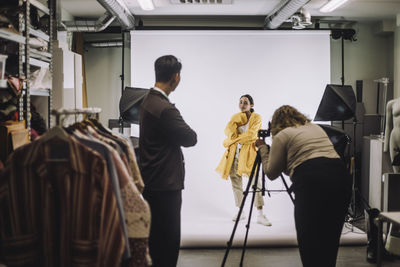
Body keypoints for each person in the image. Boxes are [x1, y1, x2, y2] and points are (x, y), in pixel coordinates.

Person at [255, 105, 351, 267]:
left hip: (311, 182)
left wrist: (263, 149)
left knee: (309, 242)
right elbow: (299, 160)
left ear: (275, 124)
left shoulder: (282, 135)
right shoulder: (315, 128)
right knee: (330, 240)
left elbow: (271, 172)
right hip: (340, 177)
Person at [139, 55, 197, 267]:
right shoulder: (165, 109)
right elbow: (190, 138)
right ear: (176, 77)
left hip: (152, 181)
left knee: (156, 241)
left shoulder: (148, 101)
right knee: (168, 242)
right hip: (165, 185)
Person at [216, 94, 271, 226]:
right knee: (236, 183)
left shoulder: (257, 117)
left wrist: (234, 139)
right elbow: (228, 132)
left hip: (249, 154)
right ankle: (240, 211)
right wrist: (236, 138)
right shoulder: (235, 118)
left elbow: (252, 135)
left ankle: (260, 214)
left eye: (245, 102)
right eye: (240, 102)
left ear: (251, 105)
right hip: (234, 154)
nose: (242, 104)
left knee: (255, 183)